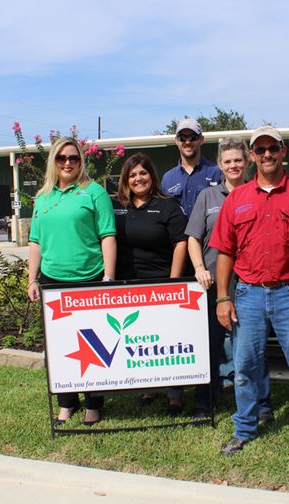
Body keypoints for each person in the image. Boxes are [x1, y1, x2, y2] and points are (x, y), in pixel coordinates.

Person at [210, 125, 289, 467]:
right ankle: (245, 428)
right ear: (252, 156)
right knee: (245, 366)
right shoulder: (238, 198)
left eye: (272, 148)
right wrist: (222, 297)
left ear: (283, 151)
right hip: (248, 294)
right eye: (259, 150)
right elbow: (225, 252)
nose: (266, 155)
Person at [27, 137, 116, 427]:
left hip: (89, 278)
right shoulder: (43, 197)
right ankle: (66, 402)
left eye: (73, 158)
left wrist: (108, 277)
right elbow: (35, 241)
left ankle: (93, 403)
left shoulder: (94, 192)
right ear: (53, 161)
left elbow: (107, 235)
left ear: (81, 161)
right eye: (61, 158)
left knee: (93, 344)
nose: (67, 163)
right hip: (53, 281)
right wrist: (32, 279)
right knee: (61, 345)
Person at [185, 138, 270, 419]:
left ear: (247, 162)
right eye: (227, 161)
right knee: (208, 345)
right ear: (220, 165)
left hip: (247, 284)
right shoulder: (207, 197)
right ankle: (204, 402)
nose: (233, 165)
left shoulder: (258, 193)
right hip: (210, 284)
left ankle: (261, 403)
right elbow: (193, 238)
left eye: (238, 160)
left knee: (250, 347)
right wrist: (198, 267)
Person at [113, 152, 189, 416]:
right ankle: (149, 387)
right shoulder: (117, 207)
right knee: (140, 340)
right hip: (128, 285)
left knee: (168, 341)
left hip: (161, 283)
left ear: (151, 176)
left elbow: (181, 242)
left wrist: (173, 282)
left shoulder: (167, 205)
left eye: (142, 173)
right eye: (132, 175)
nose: (138, 179)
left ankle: (175, 395)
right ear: (126, 180)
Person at [161, 118, 223, 216]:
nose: (187, 142)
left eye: (193, 137)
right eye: (182, 138)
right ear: (176, 141)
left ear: (201, 140)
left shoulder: (217, 173)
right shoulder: (167, 179)